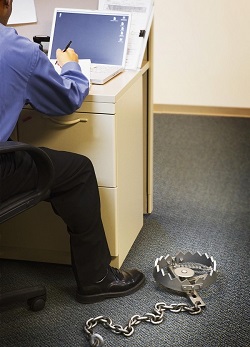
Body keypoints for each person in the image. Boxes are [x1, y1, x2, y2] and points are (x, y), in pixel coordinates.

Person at [0, 0, 145, 303]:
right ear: (5, 5)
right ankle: (96, 279)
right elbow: (66, 99)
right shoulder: (17, 51)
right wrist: (70, 65)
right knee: (78, 171)